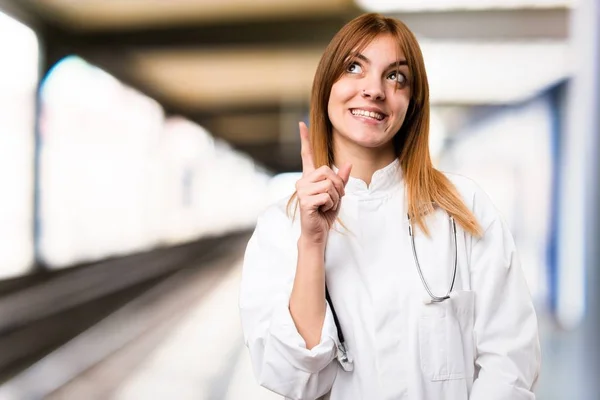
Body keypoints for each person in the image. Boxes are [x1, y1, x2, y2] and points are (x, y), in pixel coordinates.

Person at [239, 12, 541, 400]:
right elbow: (295, 379)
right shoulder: (281, 228)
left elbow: (511, 361)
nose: (375, 90)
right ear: (326, 86)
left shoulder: (464, 209)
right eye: (354, 68)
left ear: (412, 102)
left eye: (395, 76)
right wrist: (312, 244)